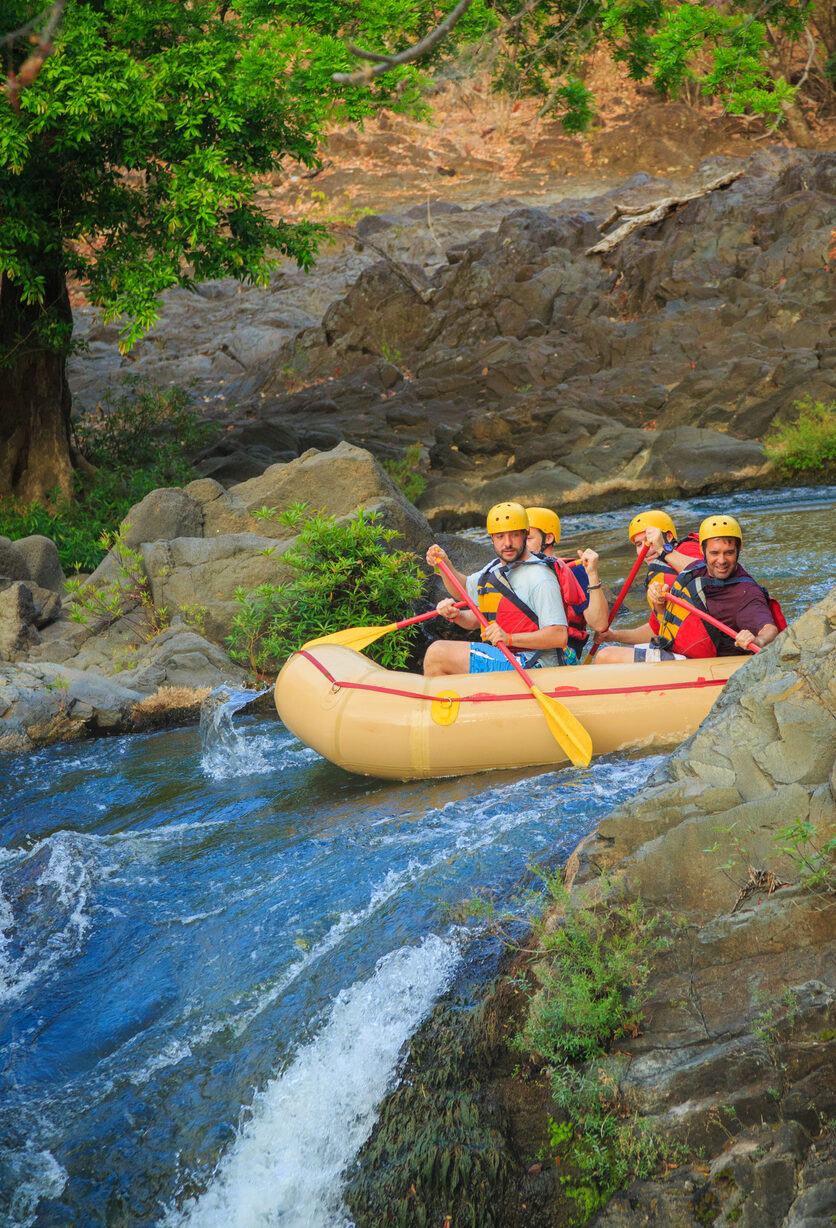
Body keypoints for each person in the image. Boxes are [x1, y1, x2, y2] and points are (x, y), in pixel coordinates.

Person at [423, 502, 568, 677]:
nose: (507, 543)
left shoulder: (540, 577)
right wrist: (445, 565)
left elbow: (559, 635)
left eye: (514, 535)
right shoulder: (493, 569)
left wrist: (509, 638)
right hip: (507, 656)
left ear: (525, 534)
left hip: (536, 663)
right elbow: (464, 591)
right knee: (439, 652)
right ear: (492, 539)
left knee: (438, 653)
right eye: (500, 537)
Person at [647, 514, 785, 658]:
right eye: (714, 553)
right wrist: (659, 601)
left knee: (619, 655)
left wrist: (758, 640)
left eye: (729, 553)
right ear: (702, 551)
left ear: (739, 549)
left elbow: (769, 629)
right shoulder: (698, 568)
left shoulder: (746, 593)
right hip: (672, 648)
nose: (721, 560)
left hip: (702, 664)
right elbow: (664, 619)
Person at [593, 509, 702, 662]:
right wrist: (613, 635)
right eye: (639, 544)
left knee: (606, 656)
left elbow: (704, 571)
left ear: (668, 536)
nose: (645, 548)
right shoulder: (660, 574)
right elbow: (656, 629)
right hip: (683, 649)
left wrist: (663, 550)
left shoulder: (687, 549)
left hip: (699, 655)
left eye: (649, 539)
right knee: (609, 652)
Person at [524, 506, 609, 664]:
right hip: (524, 647)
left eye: (528, 539)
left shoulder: (574, 571)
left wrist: (592, 574)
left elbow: (600, 624)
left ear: (548, 538)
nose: (521, 544)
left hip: (560, 653)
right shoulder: (513, 573)